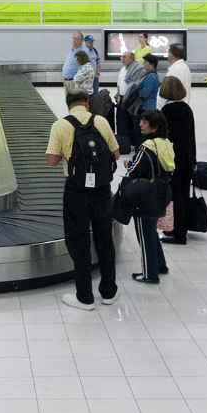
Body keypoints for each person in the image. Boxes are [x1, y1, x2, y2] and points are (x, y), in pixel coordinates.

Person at [45, 89, 119, 309]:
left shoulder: (60, 125)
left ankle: (85, 297)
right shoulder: (102, 121)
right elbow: (115, 153)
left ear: (68, 104)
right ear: (86, 103)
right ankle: (108, 292)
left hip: (76, 191)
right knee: (104, 240)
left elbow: (51, 160)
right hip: (102, 189)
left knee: (79, 243)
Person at [127, 110, 173, 283]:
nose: (140, 124)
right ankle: (160, 265)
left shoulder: (148, 147)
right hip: (163, 190)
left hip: (147, 195)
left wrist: (129, 163)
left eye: (144, 122)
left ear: (154, 126)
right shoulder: (165, 142)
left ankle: (149, 273)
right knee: (151, 230)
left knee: (144, 233)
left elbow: (134, 169)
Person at [158, 76, 195, 245]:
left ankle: (179, 234)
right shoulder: (186, 108)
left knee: (175, 197)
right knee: (184, 194)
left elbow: (164, 138)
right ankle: (181, 229)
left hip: (174, 160)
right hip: (187, 157)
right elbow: (191, 137)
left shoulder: (167, 111)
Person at [115, 50, 145, 154]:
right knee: (123, 121)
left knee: (133, 121)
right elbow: (119, 84)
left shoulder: (138, 69)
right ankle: (125, 142)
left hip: (132, 99)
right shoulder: (122, 69)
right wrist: (118, 94)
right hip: (122, 98)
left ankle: (134, 143)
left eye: (124, 57)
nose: (122, 59)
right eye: (121, 57)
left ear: (131, 58)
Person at [134, 54, 161, 148]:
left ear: (152, 64)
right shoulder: (147, 75)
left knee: (143, 130)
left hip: (147, 107)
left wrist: (136, 92)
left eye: (146, 62)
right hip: (145, 106)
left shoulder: (151, 77)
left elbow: (145, 93)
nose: (143, 64)